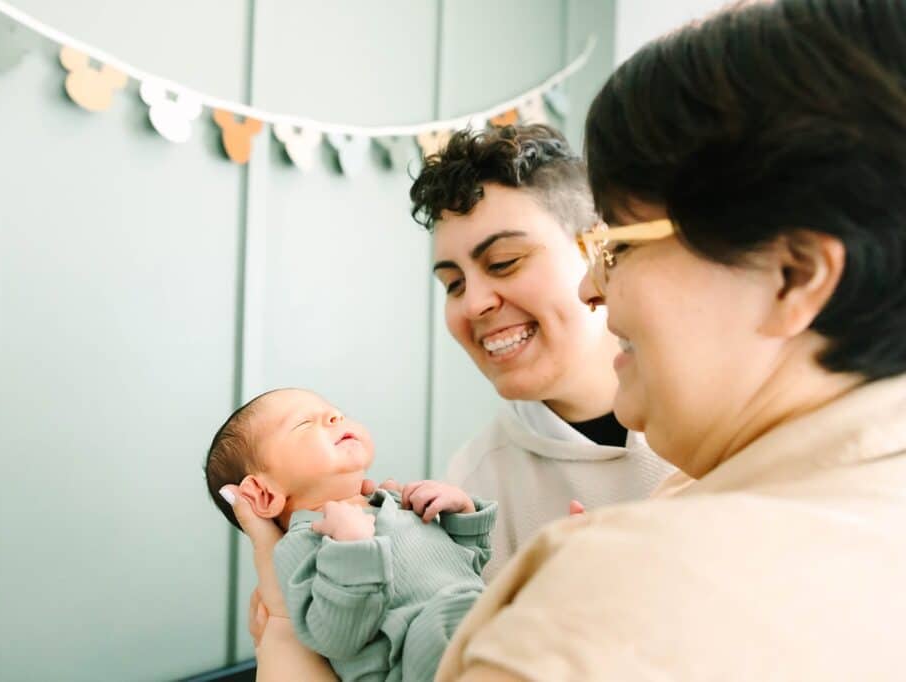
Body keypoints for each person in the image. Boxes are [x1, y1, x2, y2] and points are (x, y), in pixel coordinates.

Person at [230, 0, 906, 679]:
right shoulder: (478, 474)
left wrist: (285, 643)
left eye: (504, 262)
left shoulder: (676, 525)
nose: (594, 287)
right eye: (451, 281)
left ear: (793, 277)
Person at [410, 124, 676, 579]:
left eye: (503, 263)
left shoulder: (713, 422)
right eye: (453, 284)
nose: (474, 303)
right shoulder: (474, 485)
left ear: (599, 249)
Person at [204, 388, 496, 681]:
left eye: (337, 413)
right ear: (264, 494)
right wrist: (353, 550)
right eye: (305, 423)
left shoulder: (393, 501)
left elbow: (469, 569)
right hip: (419, 658)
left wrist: (462, 514)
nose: (336, 416)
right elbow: (337, 638)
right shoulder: (304, 542)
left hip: (481, 621)